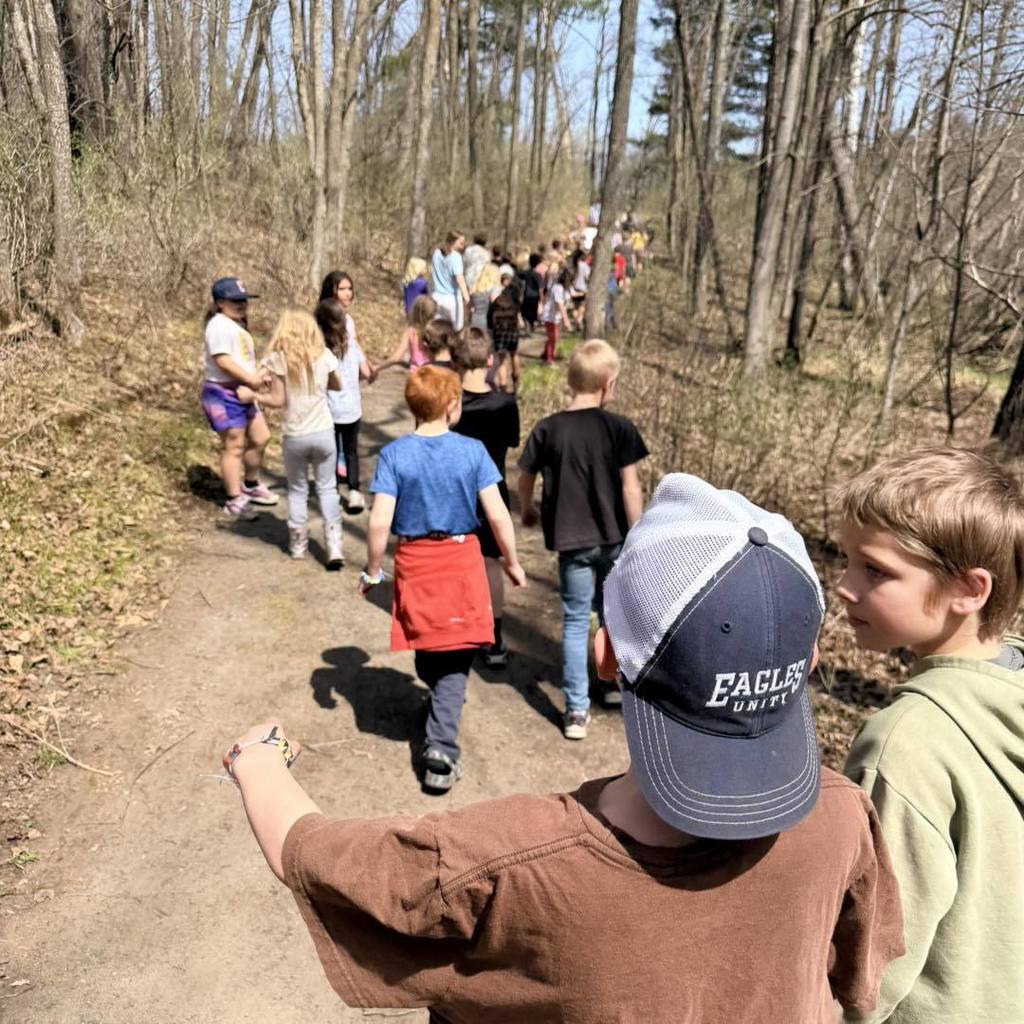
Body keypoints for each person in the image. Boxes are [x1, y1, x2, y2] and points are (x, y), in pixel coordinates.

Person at [224, 473, 903, 1023]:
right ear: (809, 658)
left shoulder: (504, 863)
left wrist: (259, 763)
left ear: (605, 656)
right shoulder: (844, 818)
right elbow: (859, 980)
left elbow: (311, 855)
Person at [836, 446, 1024, 1024]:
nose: (843, 586)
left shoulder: (905, 745)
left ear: (969, 590)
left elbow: (868, 967)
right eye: (845, 560)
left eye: (875, 570)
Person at [361, 365, 527, 789]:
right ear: (453, 405)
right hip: (459, 561)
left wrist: (374, 569)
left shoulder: (395, 455)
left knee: (440, 653)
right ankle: (443, 708)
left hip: (415, 561)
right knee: (445, 656)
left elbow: (380, 521)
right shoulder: (472, 452)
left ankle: (440, 749)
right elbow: (496, 513)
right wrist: (510, 559)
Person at [518, 340, 648, 738]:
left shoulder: (548, 429)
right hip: (613, 540)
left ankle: (576, 710)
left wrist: (527, 507)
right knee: (611, 616)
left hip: (572, 542)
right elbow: (630, 487)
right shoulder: (619, 429)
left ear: (571, 380)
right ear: (608, 384)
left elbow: (525, 476)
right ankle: (611, 685)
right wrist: (639, 533)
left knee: (576, 621)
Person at [451, 327, 521, 668]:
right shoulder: (505, 403)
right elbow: (509, 443)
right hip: (493, 489)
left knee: (457, 561)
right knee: (492, 563)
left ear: (455, 361)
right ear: (491, 361)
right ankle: (494, 639)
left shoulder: (449, 404)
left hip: (454, 493)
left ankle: (459, 629)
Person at [255, 309, 343, 567]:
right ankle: (334, 545)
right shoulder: (323, 356)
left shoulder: (277, 360)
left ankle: (298, 545)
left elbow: (278, 400)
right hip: (324, 432)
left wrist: (257, 397)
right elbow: (336, 384)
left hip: (295, 435)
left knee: (297, 490)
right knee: (327, 487)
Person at [199, 276, 278, 520]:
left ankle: (250, 484)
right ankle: (234, 500)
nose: (242, 304)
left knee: (261, 437)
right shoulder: (218, 325)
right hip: (222, 393)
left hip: (242, 389)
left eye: (244, 299)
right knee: (234, 445)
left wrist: (257, 376)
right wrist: (251, 379)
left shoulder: (237, 324)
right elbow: (223, 360)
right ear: (220, 302)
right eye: (235, 300)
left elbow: (240, 358)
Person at [316, 275, 373, 513]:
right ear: (331, 291)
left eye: (350, 288)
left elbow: (356, 349)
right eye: (342, 289)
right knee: (336, 449)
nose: (348, 293)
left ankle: (347, 490)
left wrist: (365, 367)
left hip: (348, 401)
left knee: (344, 448)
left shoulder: (347, 321)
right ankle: (341, 491)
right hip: (331, 402)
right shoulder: (319, 327)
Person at [376, 294, 436, 375]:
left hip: (415, 376)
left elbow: (396, 358)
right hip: (432, 375)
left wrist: (377, 367)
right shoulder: (435, 332)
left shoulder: (410, 332)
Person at [488, 268, 523, 393]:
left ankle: (503, 389)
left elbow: (490, 319)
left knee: (502, 362)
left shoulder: (497, 301)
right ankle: (516, 382)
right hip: (512, 331)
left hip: (499, 332)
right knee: (514, 354)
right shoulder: (515, 301)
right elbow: (518, 317)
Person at [430, 232, 470, 330]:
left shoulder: (436, 253)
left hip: (436, 297)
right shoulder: (456, 257)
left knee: (436, 329)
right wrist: (466, 297)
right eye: (461, 243)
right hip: (451, 299)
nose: (463, 245)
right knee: (456, 330)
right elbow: (459, 278)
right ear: (453, 241)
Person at [539, 266, 572, 366]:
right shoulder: (557, 288)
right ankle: (549, 360)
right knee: (553, 338)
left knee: (552, 338)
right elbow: (560, 304)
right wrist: (566, 319)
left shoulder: (564, 289)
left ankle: (545, 354)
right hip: (549, 317)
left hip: (555, 317)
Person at [517, 253, 543, 333]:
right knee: (532, 312)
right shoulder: (537, 275)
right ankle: (530, 326)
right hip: (535, 296)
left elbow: (518, 275)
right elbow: (540, 287)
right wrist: (542, 298)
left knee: (524, 311)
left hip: (526, 295)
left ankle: (528, 325)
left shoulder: (526, 273)